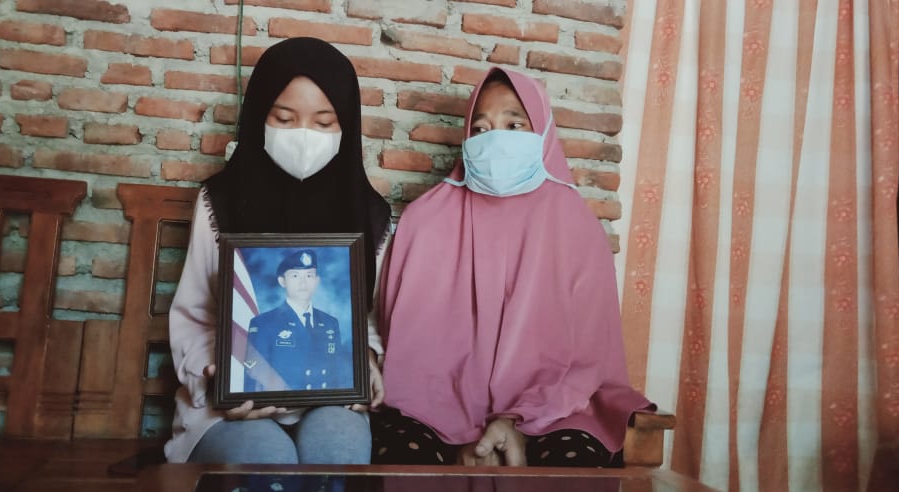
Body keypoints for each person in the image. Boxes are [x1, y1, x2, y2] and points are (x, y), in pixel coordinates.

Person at [372, 68, 654, 467]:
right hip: (434, 413)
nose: (495, 139)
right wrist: (466, 440)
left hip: (557, 411)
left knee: (573, 463)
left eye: (514, 125)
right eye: (481, 129)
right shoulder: (425, 221)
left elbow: (588, 362)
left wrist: (516, 422)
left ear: (543, 132)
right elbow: (406, 350)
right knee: (402, 456)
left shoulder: (577, 227)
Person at [166, 37, 391, 465]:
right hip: (230, 404)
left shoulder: (371, 215)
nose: (304, 136)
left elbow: (367, 320)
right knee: (268, 458)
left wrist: (367, 359)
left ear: (347, 126)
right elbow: (193, 317)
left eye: (325, 123)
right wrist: (215, 379)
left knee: (338, 453)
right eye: (284, 119)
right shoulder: (219, 201)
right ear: (258, 117)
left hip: (332, 397)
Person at [243, 249, 351, 392]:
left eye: (309, 275)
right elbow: (253, 373)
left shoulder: (330, 323)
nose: (303, 282)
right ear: (282, 281)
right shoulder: (263, 323)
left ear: (316, 281)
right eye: (295, 275)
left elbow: (338, 374)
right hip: (281, 401)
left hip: (324, 400)